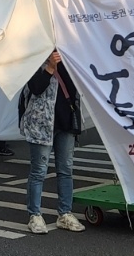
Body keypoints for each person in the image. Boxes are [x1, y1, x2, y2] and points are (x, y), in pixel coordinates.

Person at [20, 49, 86, 234]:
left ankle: (65, 213)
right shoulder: (34, 59)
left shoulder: (71, 59)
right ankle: (35, 215)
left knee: (65, 170)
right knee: (39, 171)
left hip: (66, 123)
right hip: (41, 124)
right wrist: (50, 66)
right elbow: (36, 88)